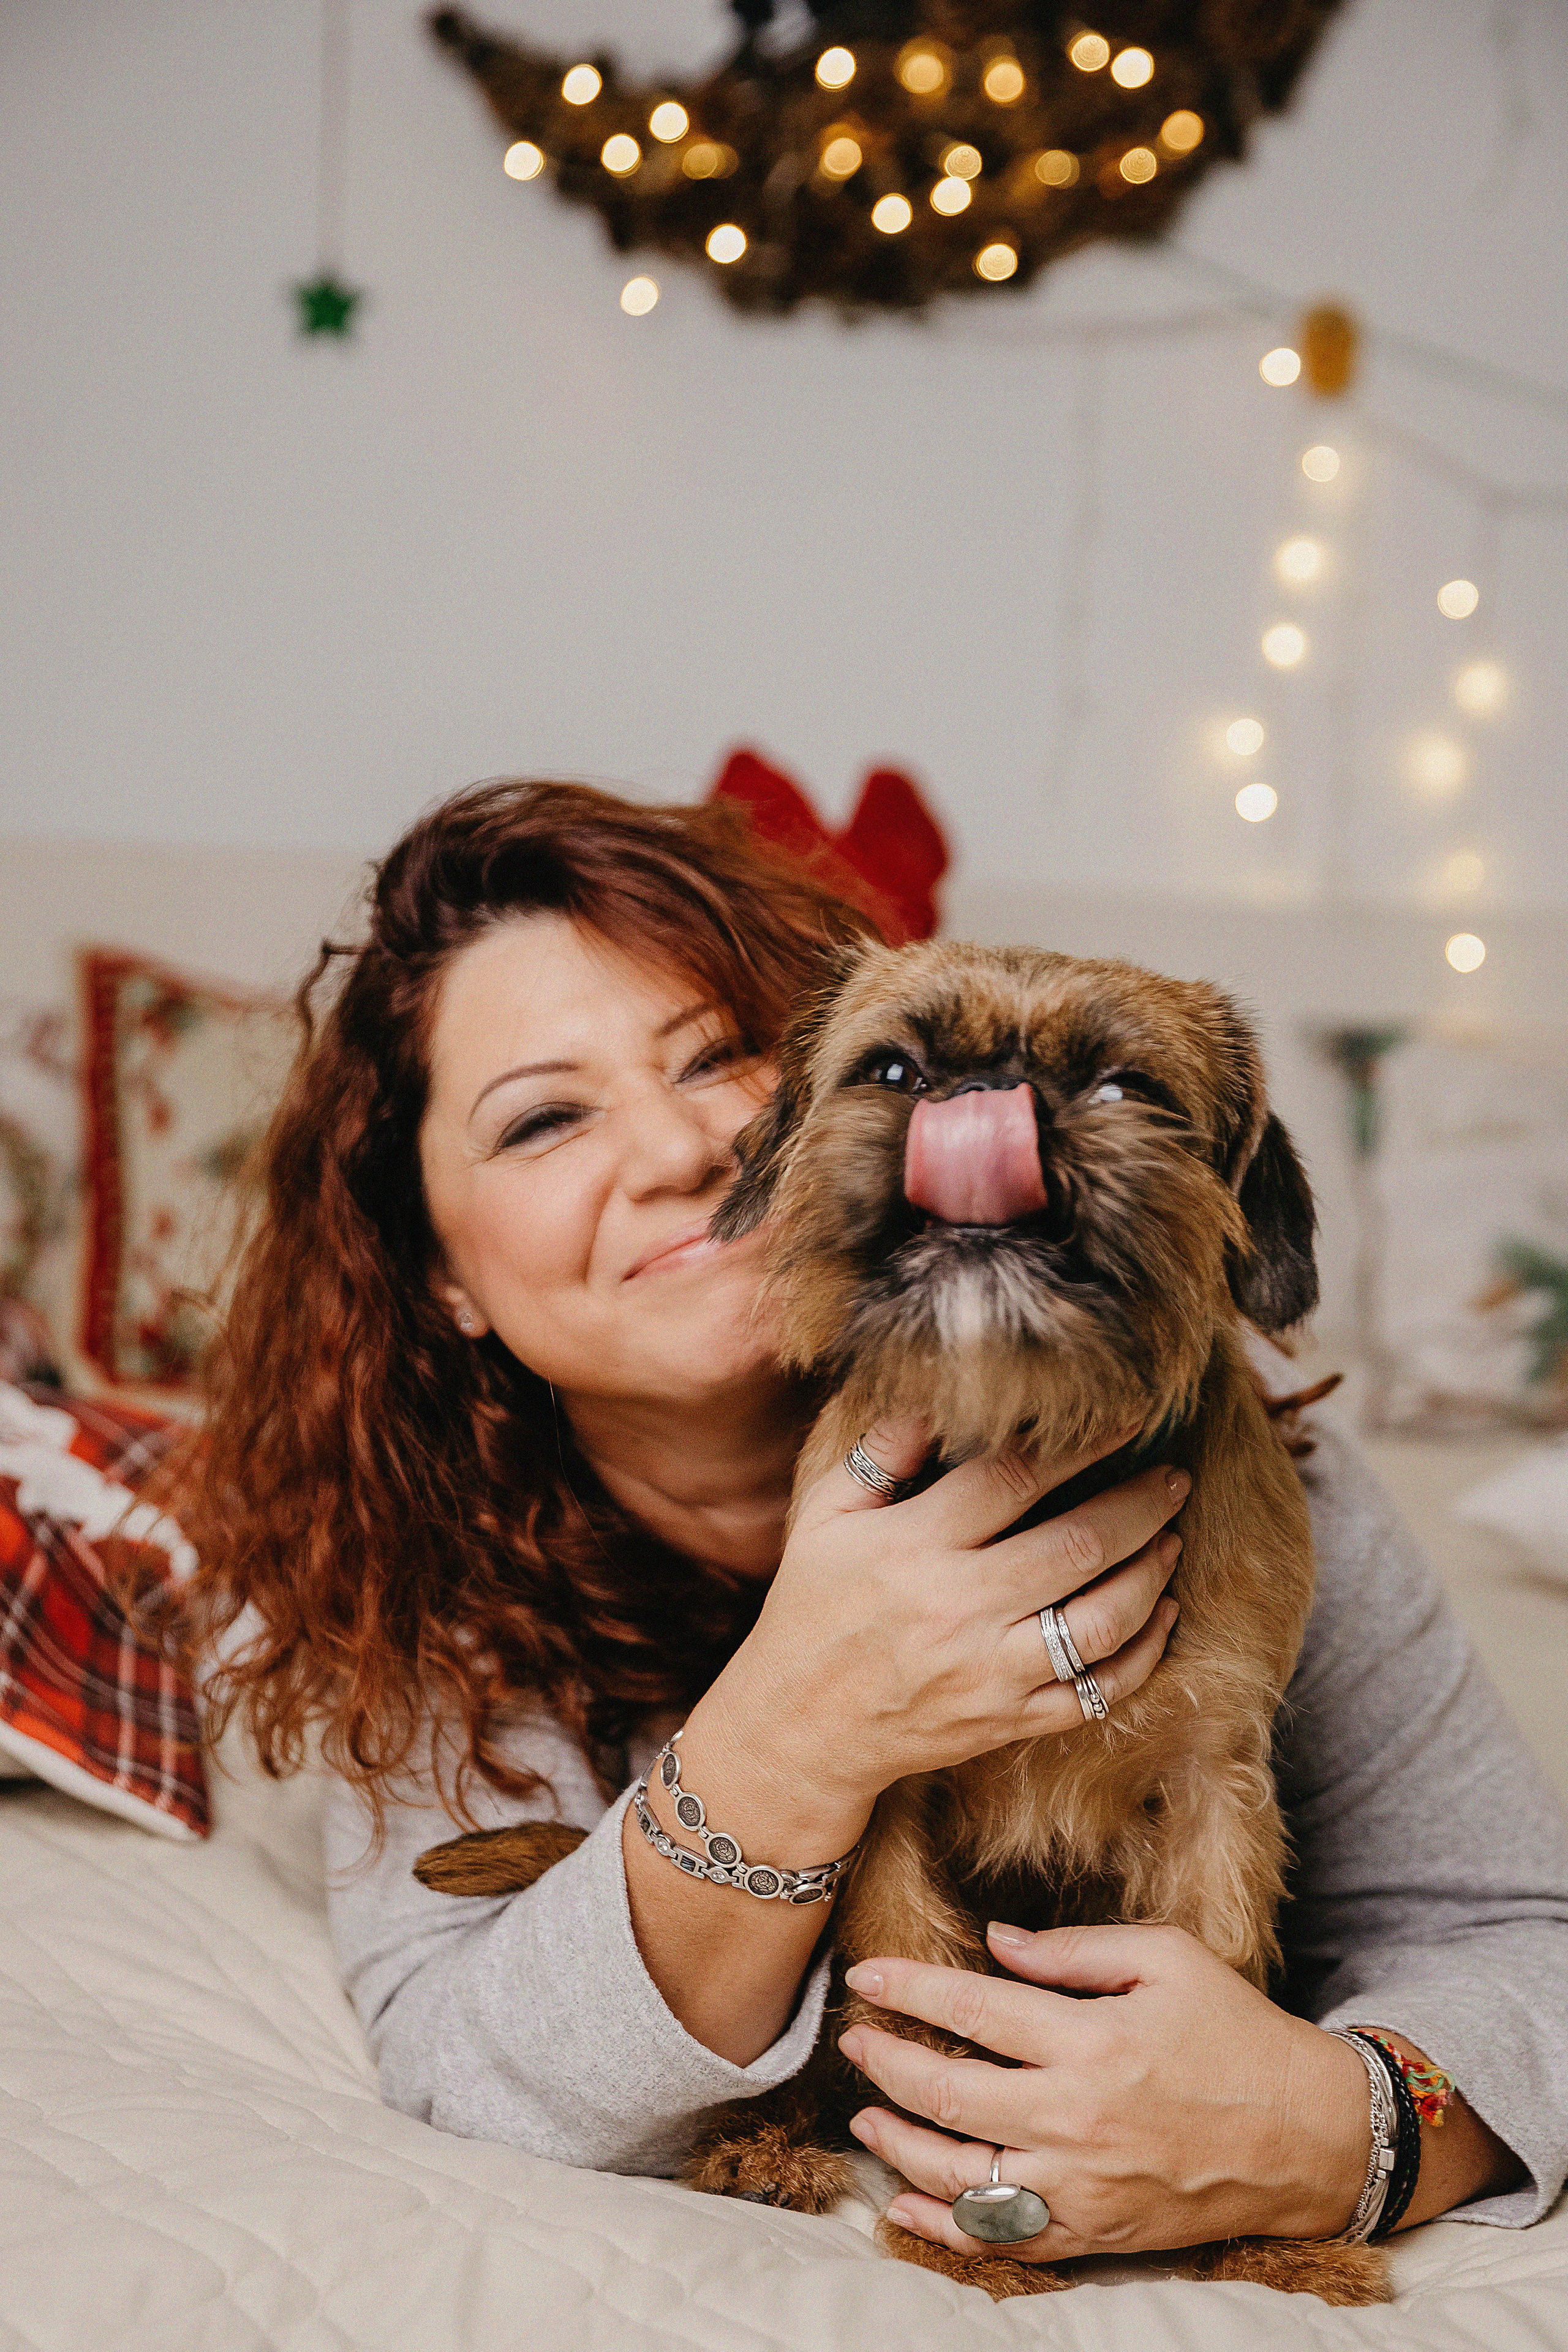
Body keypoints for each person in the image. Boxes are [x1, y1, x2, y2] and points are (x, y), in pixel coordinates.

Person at [180, 777, 1568, 2271]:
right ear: (435, 1267)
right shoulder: (406, 1564)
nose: (679, 1151)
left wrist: (1340, 2129)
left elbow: (1517, 1938)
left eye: (717, 1057)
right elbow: (463, 2062)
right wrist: (803, 1721)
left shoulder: (1243, 1463)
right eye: (542, 1120)